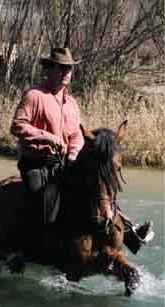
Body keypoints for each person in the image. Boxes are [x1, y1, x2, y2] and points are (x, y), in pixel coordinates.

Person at [10, 47, 153, 255]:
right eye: (62, 68)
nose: (67, 72)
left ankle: (129, 232)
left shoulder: (72, 104)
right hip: (37, 163)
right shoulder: (34, 96)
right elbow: (17, 125)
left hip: (65, 161)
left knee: (97, 188)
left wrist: (74, 152)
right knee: (40, 199)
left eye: (69, 68)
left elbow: (77, 135)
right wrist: (48, 137)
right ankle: (25, 253)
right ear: (50, 69)